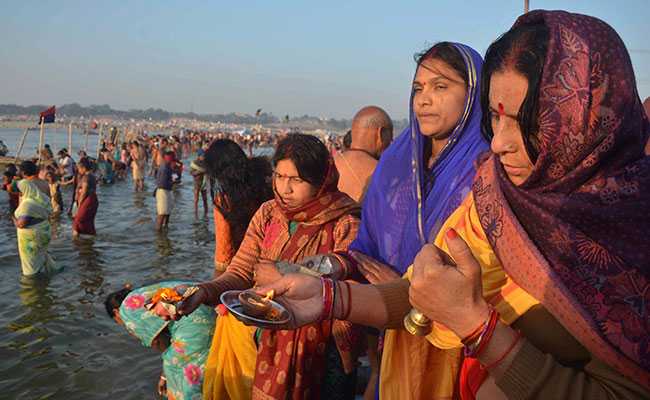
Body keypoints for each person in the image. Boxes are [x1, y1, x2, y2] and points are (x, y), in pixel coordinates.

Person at [255, 11, 650, 400]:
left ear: (585, 119)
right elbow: (421, 292)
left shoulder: (631, 229)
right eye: (496, 120)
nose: (498, 143)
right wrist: (327, 297)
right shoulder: (496, 197)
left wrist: (478, 327)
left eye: (526, 122)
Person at [172, 134, 362, 400]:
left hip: (325, 352)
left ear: (321, 180)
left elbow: (352, 284)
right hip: (269, 341)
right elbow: (239, 272)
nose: (285, 188)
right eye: (280, 176)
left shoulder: (345, 223)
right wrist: (202, 292)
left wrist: (282, 273)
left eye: (296, 180)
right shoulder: (268, 213)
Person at [105, 281, 215, 400]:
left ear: (116, 312)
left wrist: (167, 374)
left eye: (117, 321)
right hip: (210, 308)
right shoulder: (143, 293)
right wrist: (164, 376)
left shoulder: (127, 312)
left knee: (180, 375)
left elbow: (158, 342)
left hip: (194, 325)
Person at [203, 139, 273, 276]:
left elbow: (224, 250)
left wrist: (215, 286)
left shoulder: (224, 200)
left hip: (243, 268)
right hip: (274, 261)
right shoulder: (267, 179)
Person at [334, 106, 393, 202]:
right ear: (380, 134)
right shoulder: (383, 173)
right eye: (390, 138)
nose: (390, 144)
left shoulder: (330, 164)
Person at [13, 161, 57, 276]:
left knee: (32, 261)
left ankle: (35, 284)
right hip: (43, 224)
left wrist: (14, 217)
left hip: (30, 224)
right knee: (41, 254)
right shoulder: (44, 184)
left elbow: (24, 207)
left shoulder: (25, 186)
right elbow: (47, 202)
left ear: (23, 172)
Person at [72, 157, 98, 238]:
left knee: (78, 220)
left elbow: (84, 190)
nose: (78, 171)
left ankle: (75, 239)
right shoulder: (92, 175)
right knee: (88, 220)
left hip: (88, 199)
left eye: (79, 169)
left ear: (83, 168)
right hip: (93, 199)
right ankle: (91, 238)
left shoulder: (86, 177)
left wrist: (80, 202)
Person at [155, 151, 174, 231]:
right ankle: (158, 232)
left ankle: (165, 229)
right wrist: (172, 181)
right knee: (162, 213)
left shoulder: (168, 167)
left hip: (167, 191)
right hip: (163, 192)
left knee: (167, 212)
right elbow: (162, 183)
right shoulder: (164, 168)